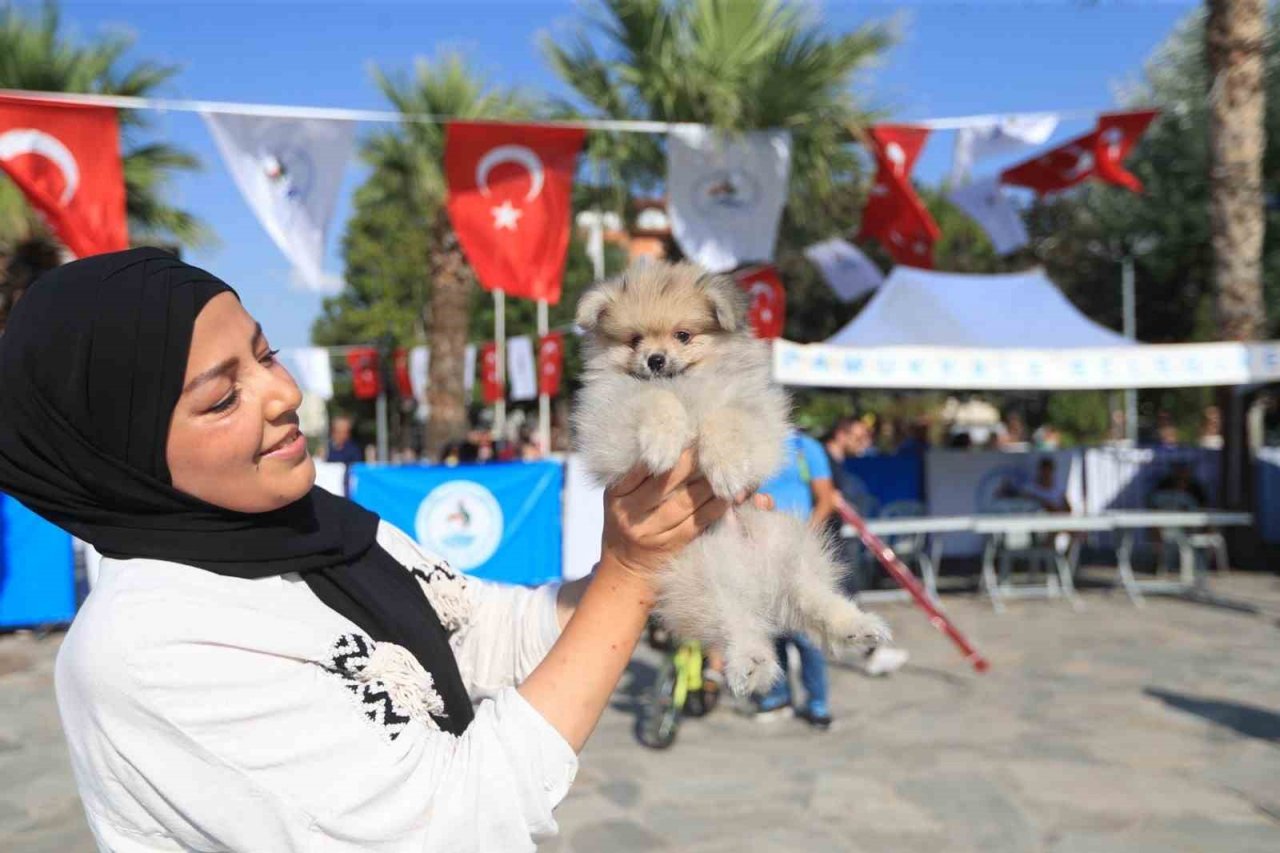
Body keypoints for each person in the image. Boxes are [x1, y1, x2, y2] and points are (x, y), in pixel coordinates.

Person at [0, 249, 766, 851]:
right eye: (223, 396)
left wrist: (650, 549)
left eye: (266, 355)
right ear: (119, 454)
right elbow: (452, 826)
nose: (283, 393)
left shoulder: (322, 528)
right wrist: (629, 576)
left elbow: (487, 633)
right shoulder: (147, 648)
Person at [751, 428, 839, 729]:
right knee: (770, 628)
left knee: (805, 634)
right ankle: (778, 695)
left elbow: (825, 500)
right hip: (758, 552)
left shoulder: (806, 447)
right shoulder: (750, 442)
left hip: (797, 553)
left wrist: (802, 538)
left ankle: (816, 702)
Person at [820, 420, 909, 679]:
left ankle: (872, 652)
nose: (864, 442)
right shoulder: (821, 461)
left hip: (833, 540)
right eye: (858, 436)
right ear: (841, 433)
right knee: (845, 601)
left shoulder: (834, 464)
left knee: (846, 599)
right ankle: (872, 652)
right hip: (820, 543)